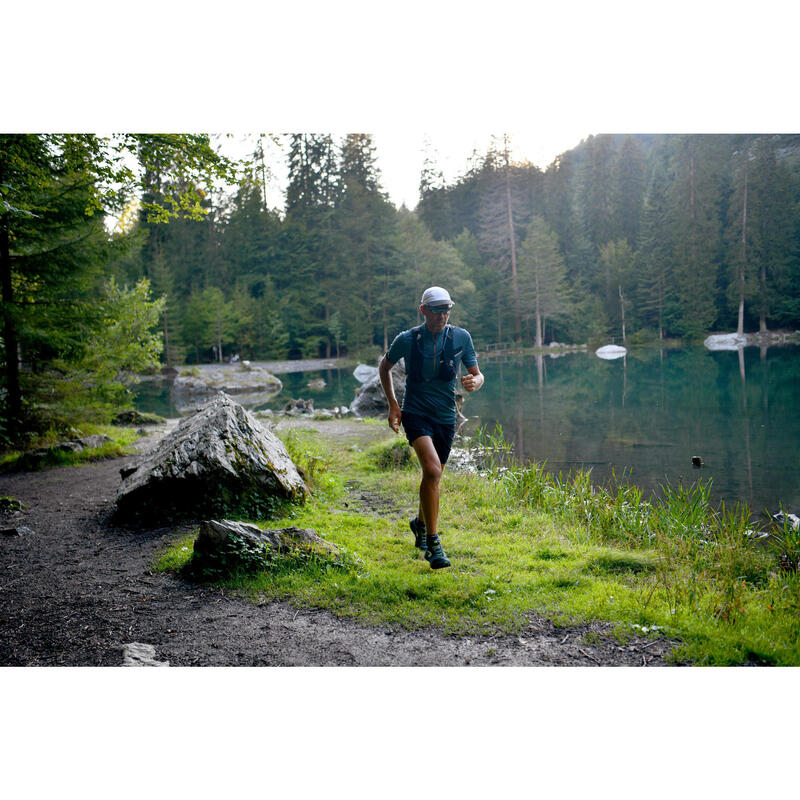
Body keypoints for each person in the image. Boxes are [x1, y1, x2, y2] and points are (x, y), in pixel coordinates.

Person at [379, 286, 484, 569]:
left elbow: (477, 373)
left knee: (433, 477)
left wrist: (476, 381)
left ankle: (420, 522)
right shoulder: (408, 339)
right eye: (436, 310)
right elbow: (384, 366)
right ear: (423, 310)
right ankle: (434, 545)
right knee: (433, 470)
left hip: (446, 417)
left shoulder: (462, 337)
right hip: (415, 414)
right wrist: (393, 404)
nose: (442, 315)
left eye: (446, 309)